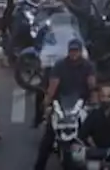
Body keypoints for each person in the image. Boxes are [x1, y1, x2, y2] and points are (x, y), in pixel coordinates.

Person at [35, 39, 97, 170]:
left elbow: (91, 84)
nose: (74, 54)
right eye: (72, 51)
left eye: (76, 51)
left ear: (81, 52)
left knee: (91, 135)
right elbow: (53, 86)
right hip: (61, 104)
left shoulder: (88, 66)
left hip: (81, 104)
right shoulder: (59, 65)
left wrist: (94, 100)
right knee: (48, 139)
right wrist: (47, 102)